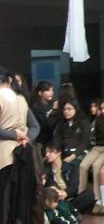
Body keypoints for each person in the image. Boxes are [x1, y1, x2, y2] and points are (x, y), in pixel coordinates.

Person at [0, 71, 31, 222]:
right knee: (15, 196)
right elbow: (32, 126)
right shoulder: (20, 99)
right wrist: (22, 135)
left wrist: (15, 134)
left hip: (4, 153)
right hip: (19, 150)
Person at [79, 98, 104, 214]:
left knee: (96, 166)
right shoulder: (99, 120)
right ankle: (81, 197)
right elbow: (94, 137)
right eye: (102, 108)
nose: (103, 111)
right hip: (97, 147)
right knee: (83, 165)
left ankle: (97, 200)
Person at [43, 144, 94, 214]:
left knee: (89, 195)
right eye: (46, 152)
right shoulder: (45, 169)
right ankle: (69, 212)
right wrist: (56, 191)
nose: (47, 155)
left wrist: (66, 193)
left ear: (59, 153)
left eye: (50, 152)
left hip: (68, 200)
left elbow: (74, 187)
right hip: (54, 200)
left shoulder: (70, 168)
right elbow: (47, 184)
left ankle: (66, 212)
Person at [52, 98, 90, 164]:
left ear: (76, 109)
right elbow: (57, 140)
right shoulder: (61, 124)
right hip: (64, 152)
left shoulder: (83, 123)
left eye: (69, 109)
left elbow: (85, 143)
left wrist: (72, 156)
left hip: (79, 153)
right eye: (64, 109)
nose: (66, 111)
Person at [32, 80, 58, 147]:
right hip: (43, 141)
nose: (51, 93)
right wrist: (54, 110)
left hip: (55, 139)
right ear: (40, 93)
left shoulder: (54, 103)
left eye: (52, 90)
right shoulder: (36, 108)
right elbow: (47, 125)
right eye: (48, 91)